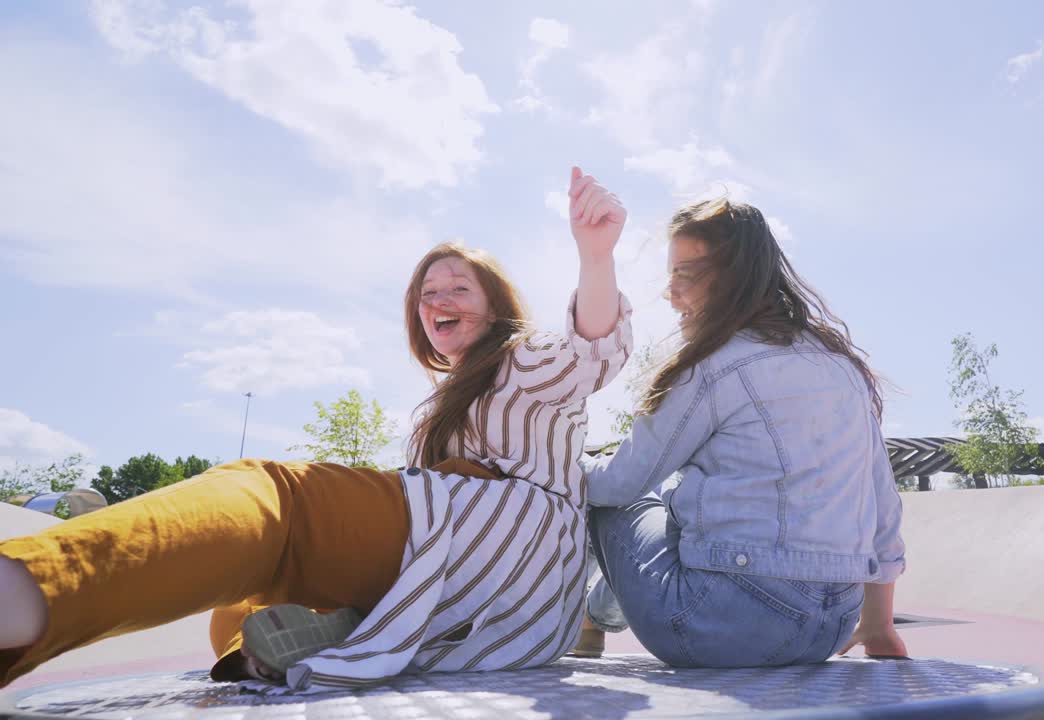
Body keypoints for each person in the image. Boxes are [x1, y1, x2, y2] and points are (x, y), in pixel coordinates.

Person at [0, 167, 633, 692]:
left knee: (276, 501)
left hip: (509, 550)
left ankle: (25, 594)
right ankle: (350, 632)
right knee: (237, 609)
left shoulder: (523, 358)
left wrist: (595, 255)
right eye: (427, 291)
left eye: (457, 288)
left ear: (494, 304)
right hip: (494, 599)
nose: (439, 299)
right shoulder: (448, 399)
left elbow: (591, 351)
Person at [576, 198, 907, 667]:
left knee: (617, 499)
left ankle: (587, 621)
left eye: (685, 275)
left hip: (716, 628)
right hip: (828, 630)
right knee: (677, 490)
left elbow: (620, 482)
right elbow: (883, 503)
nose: (670, 294)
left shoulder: (710, 366)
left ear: (736, 277)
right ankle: (594, 615)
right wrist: (878, 624)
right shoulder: (843, 368)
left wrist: (559, 463)